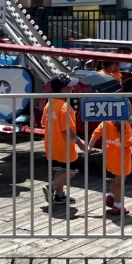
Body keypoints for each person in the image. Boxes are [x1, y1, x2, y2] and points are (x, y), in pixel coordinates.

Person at [40, 74, 85, 206]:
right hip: (64, 146)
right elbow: (67, 129)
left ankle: (59, 195)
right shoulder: (66, 107)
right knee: (71, 171)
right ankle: (52, 187)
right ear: (64, 90)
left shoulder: (49, 104)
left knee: (60, 169)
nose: (73, 90)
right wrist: (79, 141)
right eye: (71, 87)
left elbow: (44, 122)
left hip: (51, 144)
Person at [89, 115, 132, 217]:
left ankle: (111, 196)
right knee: (119, 182)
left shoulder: (105, 123)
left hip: (110, 157)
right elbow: (127, 143)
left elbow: (95, 134)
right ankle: (117, 206)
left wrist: (89, 147)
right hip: (122, 159)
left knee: (116, 178)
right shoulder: (126, 126)